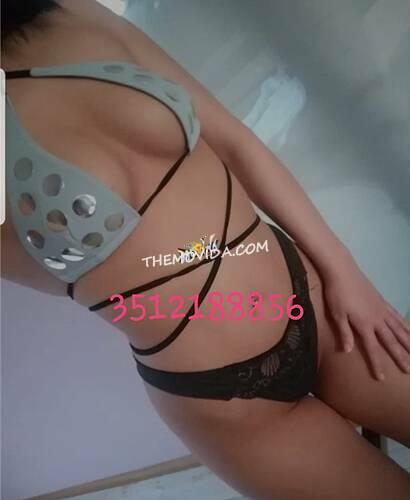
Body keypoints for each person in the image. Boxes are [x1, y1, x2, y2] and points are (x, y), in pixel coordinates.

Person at [1, 1, 409, 498]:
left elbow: (235, 142)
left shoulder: (73, 12)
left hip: (320, 304)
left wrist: (346, 271)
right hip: (226, 401)